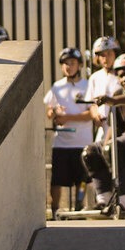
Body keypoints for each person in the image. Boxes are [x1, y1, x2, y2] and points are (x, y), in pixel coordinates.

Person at [44, 48, 93, 218]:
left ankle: (79, 207)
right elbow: (49, 110)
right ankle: (55, 210)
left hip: (82, 141)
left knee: (82, 180)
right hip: (62, 142)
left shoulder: (87, 86)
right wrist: (55, 112)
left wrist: (69, 118)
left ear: (79, 65)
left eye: (72, 63)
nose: (68, 66)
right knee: (57, 179)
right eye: (65, 63)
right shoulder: (57, 86)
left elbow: (91, 114)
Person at [82, 52, 125, 213]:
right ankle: (105, 198)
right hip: (124, 139)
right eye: (121, 76)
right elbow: (114, 129)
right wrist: (105, 146)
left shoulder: (117, 99)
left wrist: (113, 101)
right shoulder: (117, 96)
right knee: (92, 151)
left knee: (117, 148)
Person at [84, 35, 121, 142]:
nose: (106, 58)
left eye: (109, 53)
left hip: (121, 126)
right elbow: (91, 104)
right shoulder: (94, 78)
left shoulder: (122, 75)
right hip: (103, 129)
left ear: (115, 54)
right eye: (102, 55)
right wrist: (95, 115)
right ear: (97, 58)